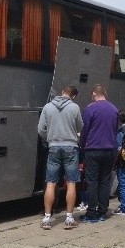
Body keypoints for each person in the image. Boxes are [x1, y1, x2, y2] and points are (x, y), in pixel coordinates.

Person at [37, 85, 84, 230]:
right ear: (73, 96)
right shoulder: (74, 107)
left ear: (62, 92)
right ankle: (69, 218)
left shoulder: (47, 107)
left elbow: (40, 130)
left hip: (53, 147)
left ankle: (46, 218)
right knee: (71, 183)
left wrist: (50, 139)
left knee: (50, 182)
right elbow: (80, 127)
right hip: (70, 147)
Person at [79, 84, 118, 223]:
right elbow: (115, 129)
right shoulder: (114, 109)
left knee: (92, 182)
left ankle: (91, 213)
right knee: (105, 181)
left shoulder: (91, 108)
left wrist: (82, 146)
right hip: (110, 149)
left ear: (94, 94)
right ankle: (102, 211)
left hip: (93, 149)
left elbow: (84, 131)